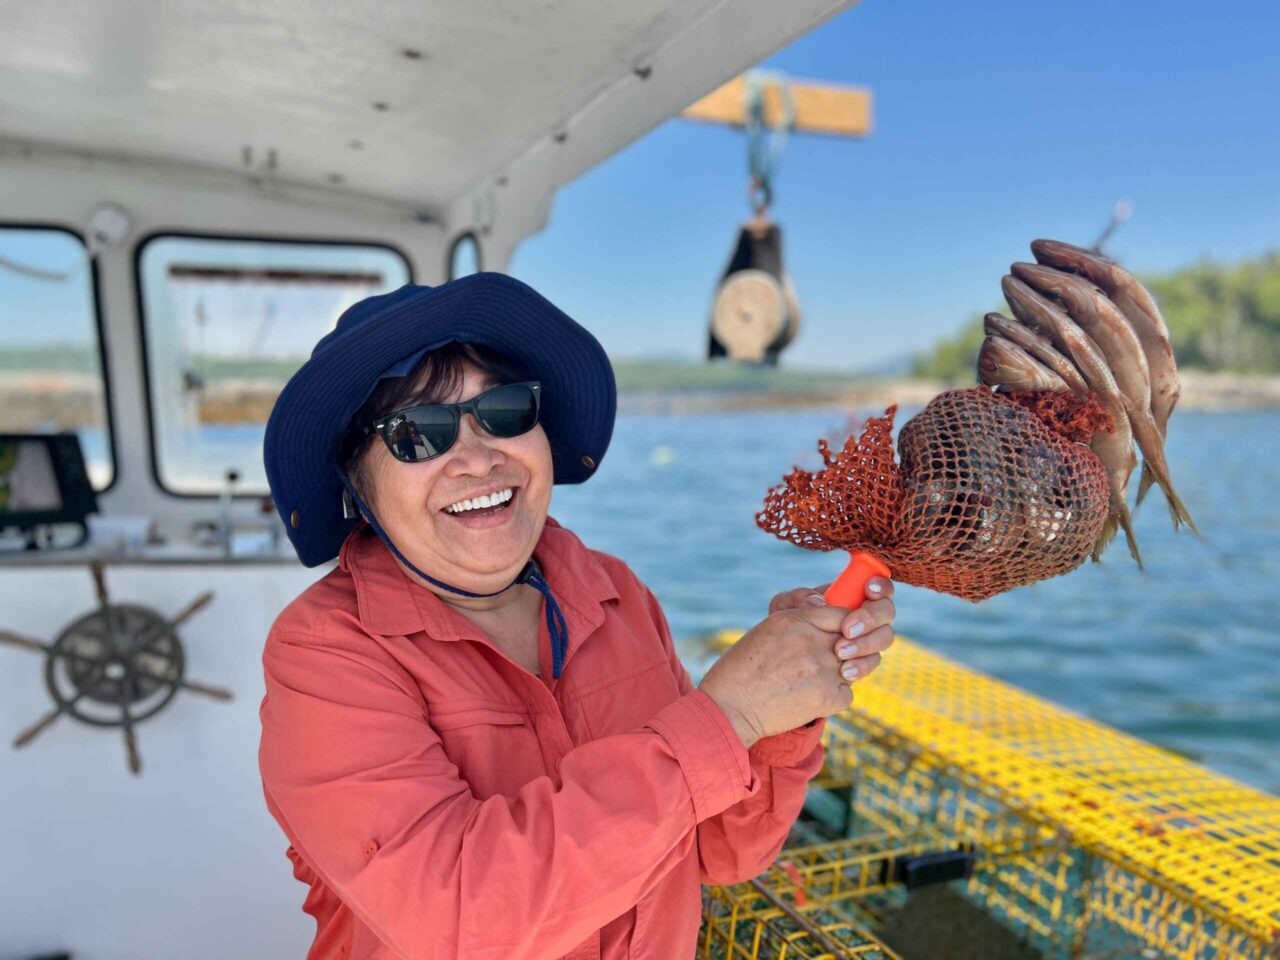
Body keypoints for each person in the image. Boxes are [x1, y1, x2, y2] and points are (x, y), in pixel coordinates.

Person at [258, 274, 896, 960]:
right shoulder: (322, 654)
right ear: (357, 483)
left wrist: (781, 714)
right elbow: (462, 920)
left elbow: (723, 851)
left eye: (504, 410)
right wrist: (728, 717)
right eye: (419, 434)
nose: (477, 458)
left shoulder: (615, 593)